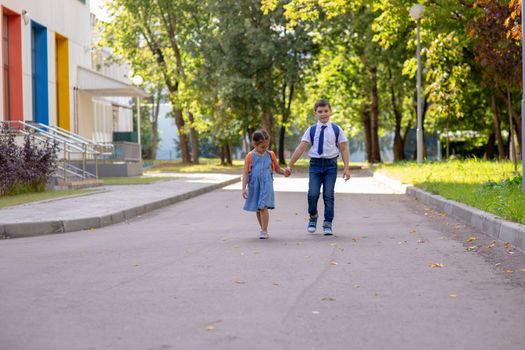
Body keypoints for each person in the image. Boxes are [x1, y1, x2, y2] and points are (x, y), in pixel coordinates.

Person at [285, 99, 350, 235]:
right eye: (320, 112)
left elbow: (343, 149)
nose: (323, 114)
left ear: (330, 112)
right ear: (315, 113)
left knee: (328, 195)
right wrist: (290, 165)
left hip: (331, 165)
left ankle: (328, 223)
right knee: (313, 194)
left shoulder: (337, 130)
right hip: (315, 165)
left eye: (326, 111)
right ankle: (313, 216)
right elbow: (301, 147)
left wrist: (346, 168)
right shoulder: (312, 130)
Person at [242, 129, 287, 239]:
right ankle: (263, 229)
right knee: (258, 209)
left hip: (267, 184)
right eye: (262, 147)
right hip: (254, 185)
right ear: (254, 144)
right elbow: (246, 174)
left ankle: (264, 231)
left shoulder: (270, 154)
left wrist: (285, 172)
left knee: (263, 207)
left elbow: (277, 168)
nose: (265, 149)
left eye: (267, 146)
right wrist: (244, 188)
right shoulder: (250, 156)